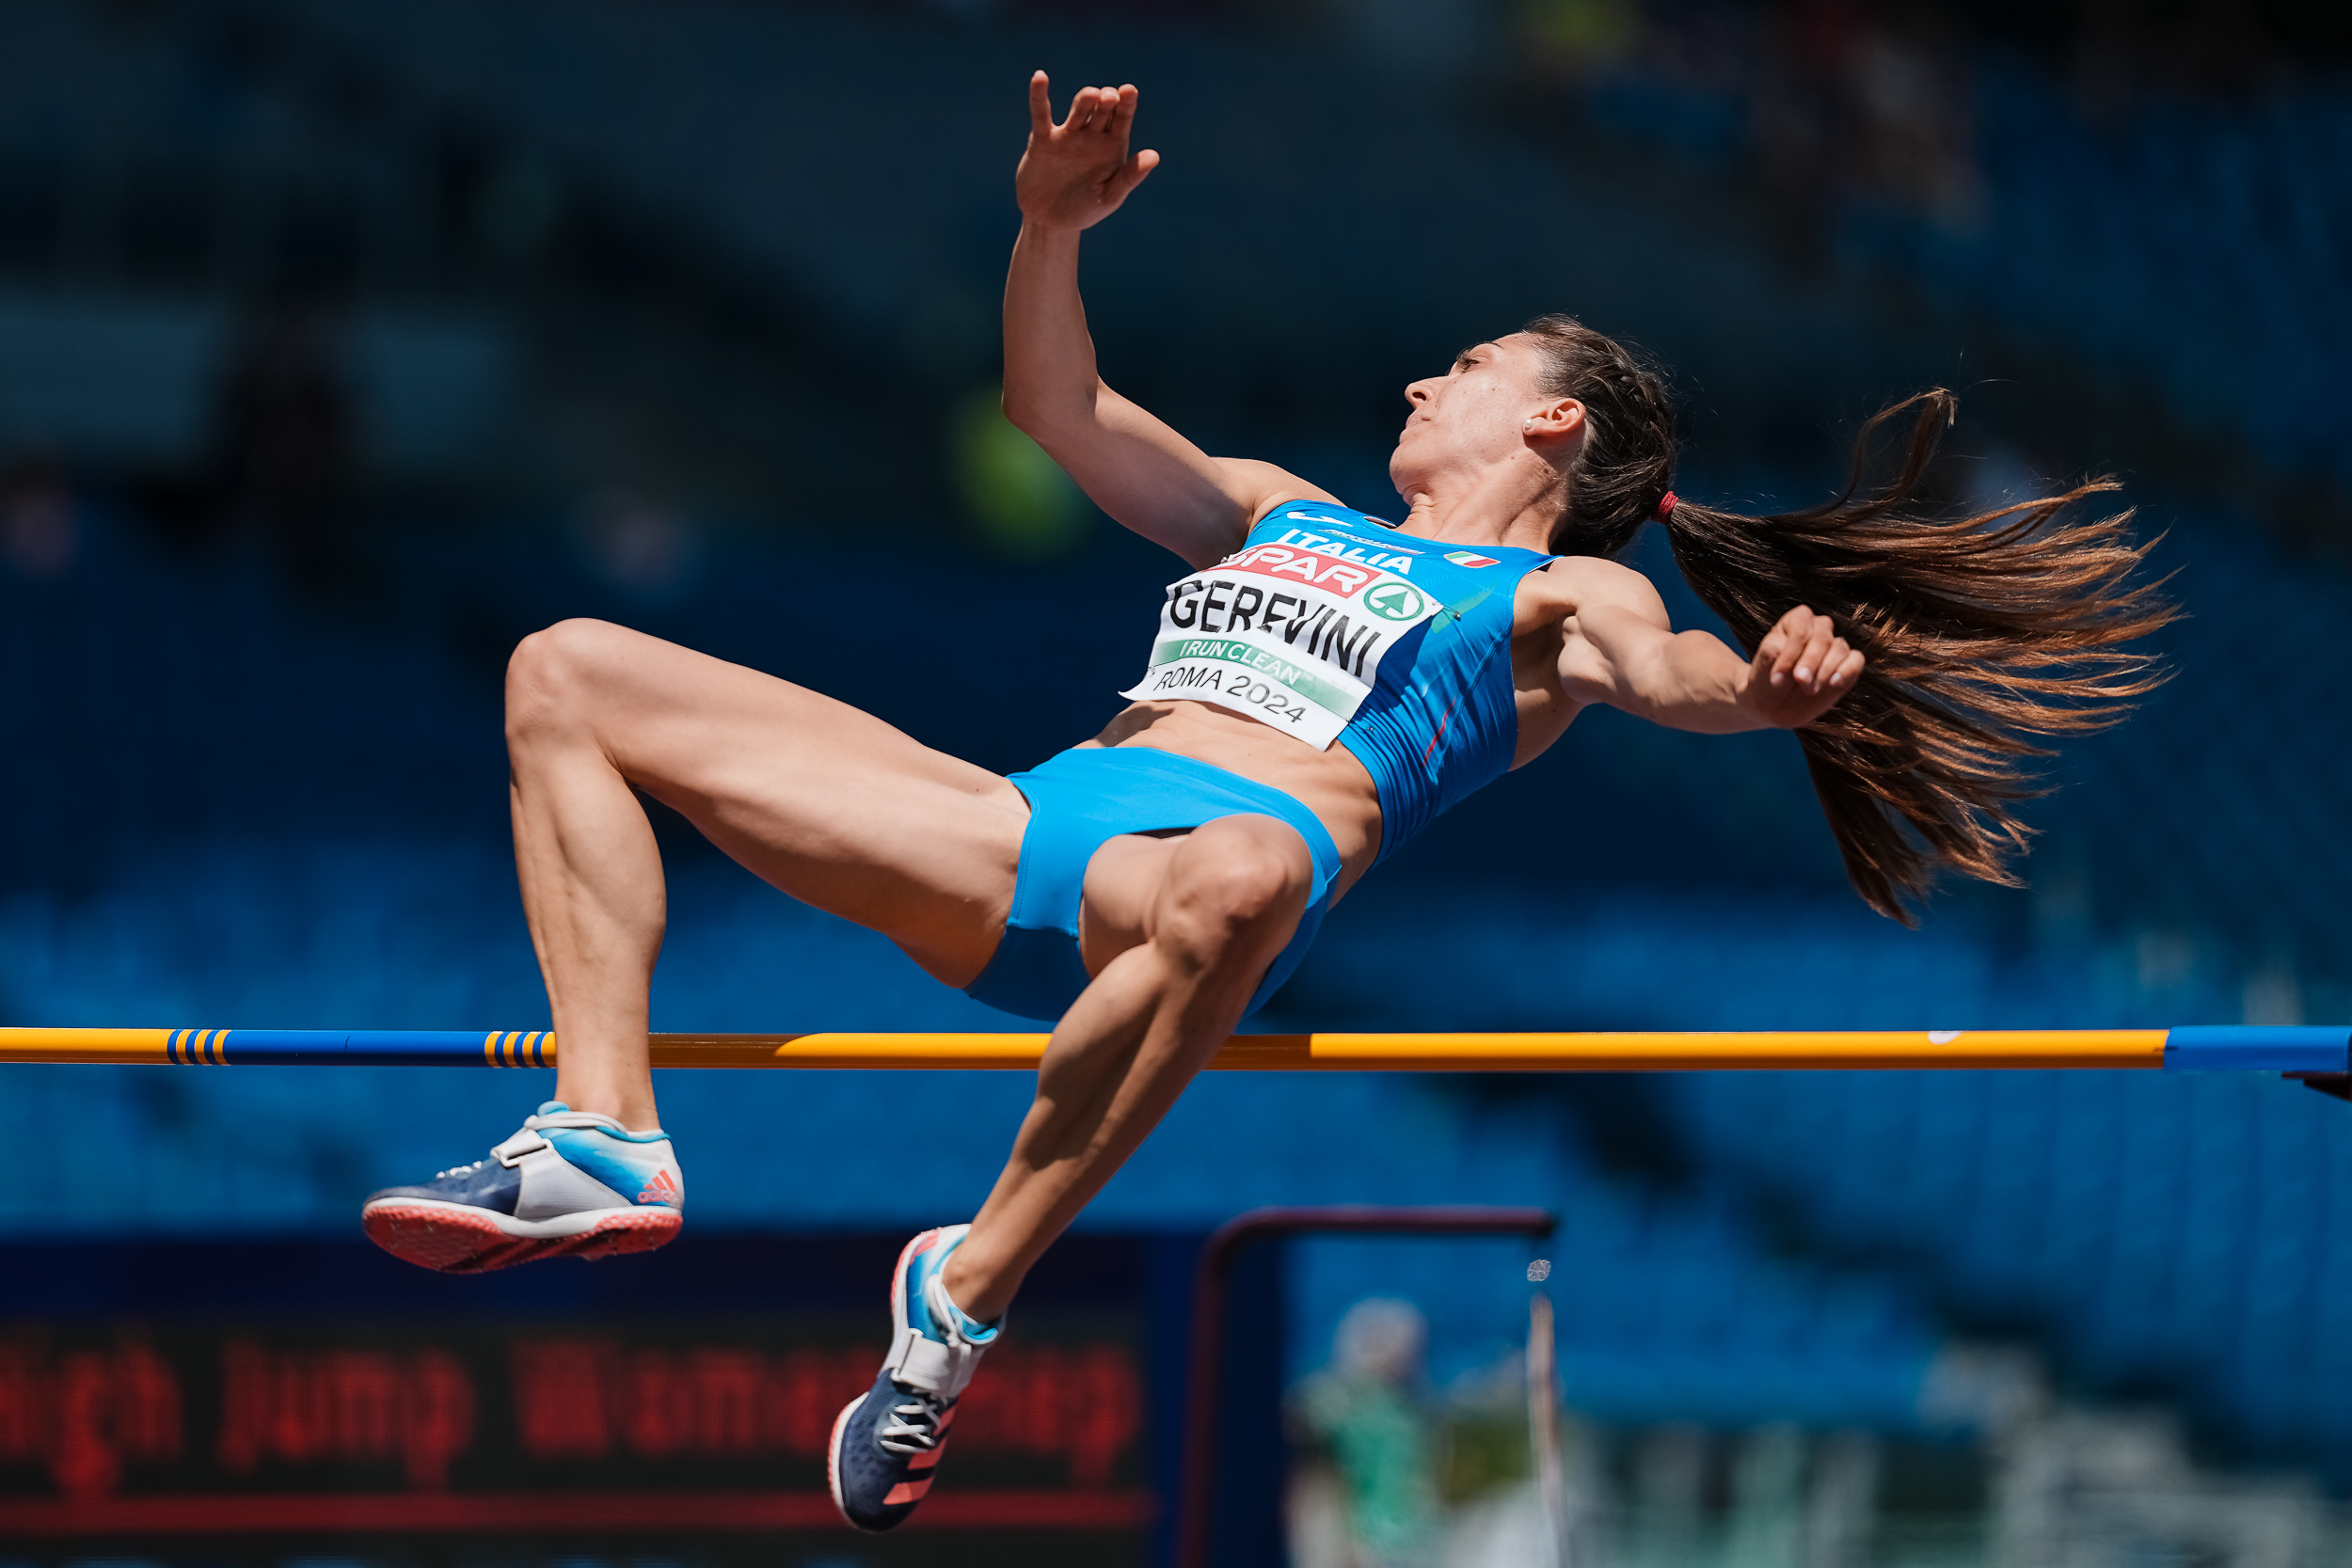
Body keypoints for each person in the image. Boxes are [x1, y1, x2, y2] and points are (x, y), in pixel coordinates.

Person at [357, 74, 2172, 1532]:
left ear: (1554, 429)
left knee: (1237, 867)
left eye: (1470, 368)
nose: (1425, 377)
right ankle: (604, 1135)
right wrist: (1046, 231)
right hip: (1017, 837)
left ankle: (957, 1307)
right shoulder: (1278, 507)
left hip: (1200, 899)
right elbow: (1057, 408)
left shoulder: (1552, 600)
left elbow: (1670, 671)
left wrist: (1763, 694)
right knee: (566, 667)